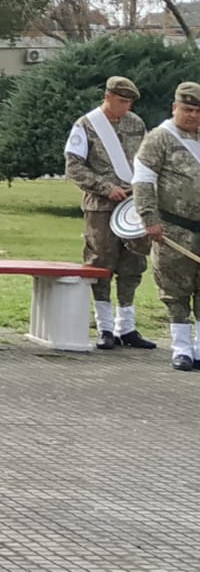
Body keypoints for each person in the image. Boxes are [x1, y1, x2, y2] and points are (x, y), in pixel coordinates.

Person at [66, 76, 154, 349]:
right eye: (122, 101)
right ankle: (104, 327)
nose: (126, 107)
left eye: (129, 102)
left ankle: (126, 326)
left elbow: (147, 160)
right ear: (108, 97)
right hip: (100, 207)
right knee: (100, 264)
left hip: (132, 206)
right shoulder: (86, 125)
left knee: (133, 265)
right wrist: (105, 187)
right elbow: (74, 167)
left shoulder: (136, 124)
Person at [131, 81, 200, 371]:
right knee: (175, 291)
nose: (193, 116)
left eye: (198, 111)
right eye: (187, 109)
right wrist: (149, 219)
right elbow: (143, 180)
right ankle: (181, 349)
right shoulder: (159, 138)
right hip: (173, 229)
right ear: (175, 108)